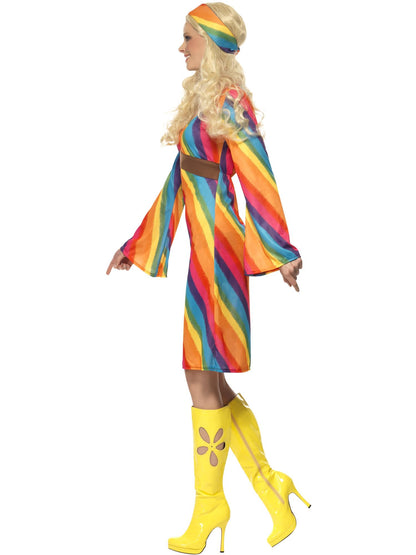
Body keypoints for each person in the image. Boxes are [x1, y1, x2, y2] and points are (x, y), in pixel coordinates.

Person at [106, 3, 310, 553]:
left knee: (200, 378)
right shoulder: (202, 101)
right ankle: (271, 490)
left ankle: (210, 508)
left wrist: (281, 251)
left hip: (220, 253)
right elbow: (179, 180)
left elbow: (258, 175)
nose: (181, 47)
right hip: (204, 254)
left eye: (188, 37)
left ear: (212, 44)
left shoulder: (229, 101)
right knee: (209, 382)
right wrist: (138, 244)